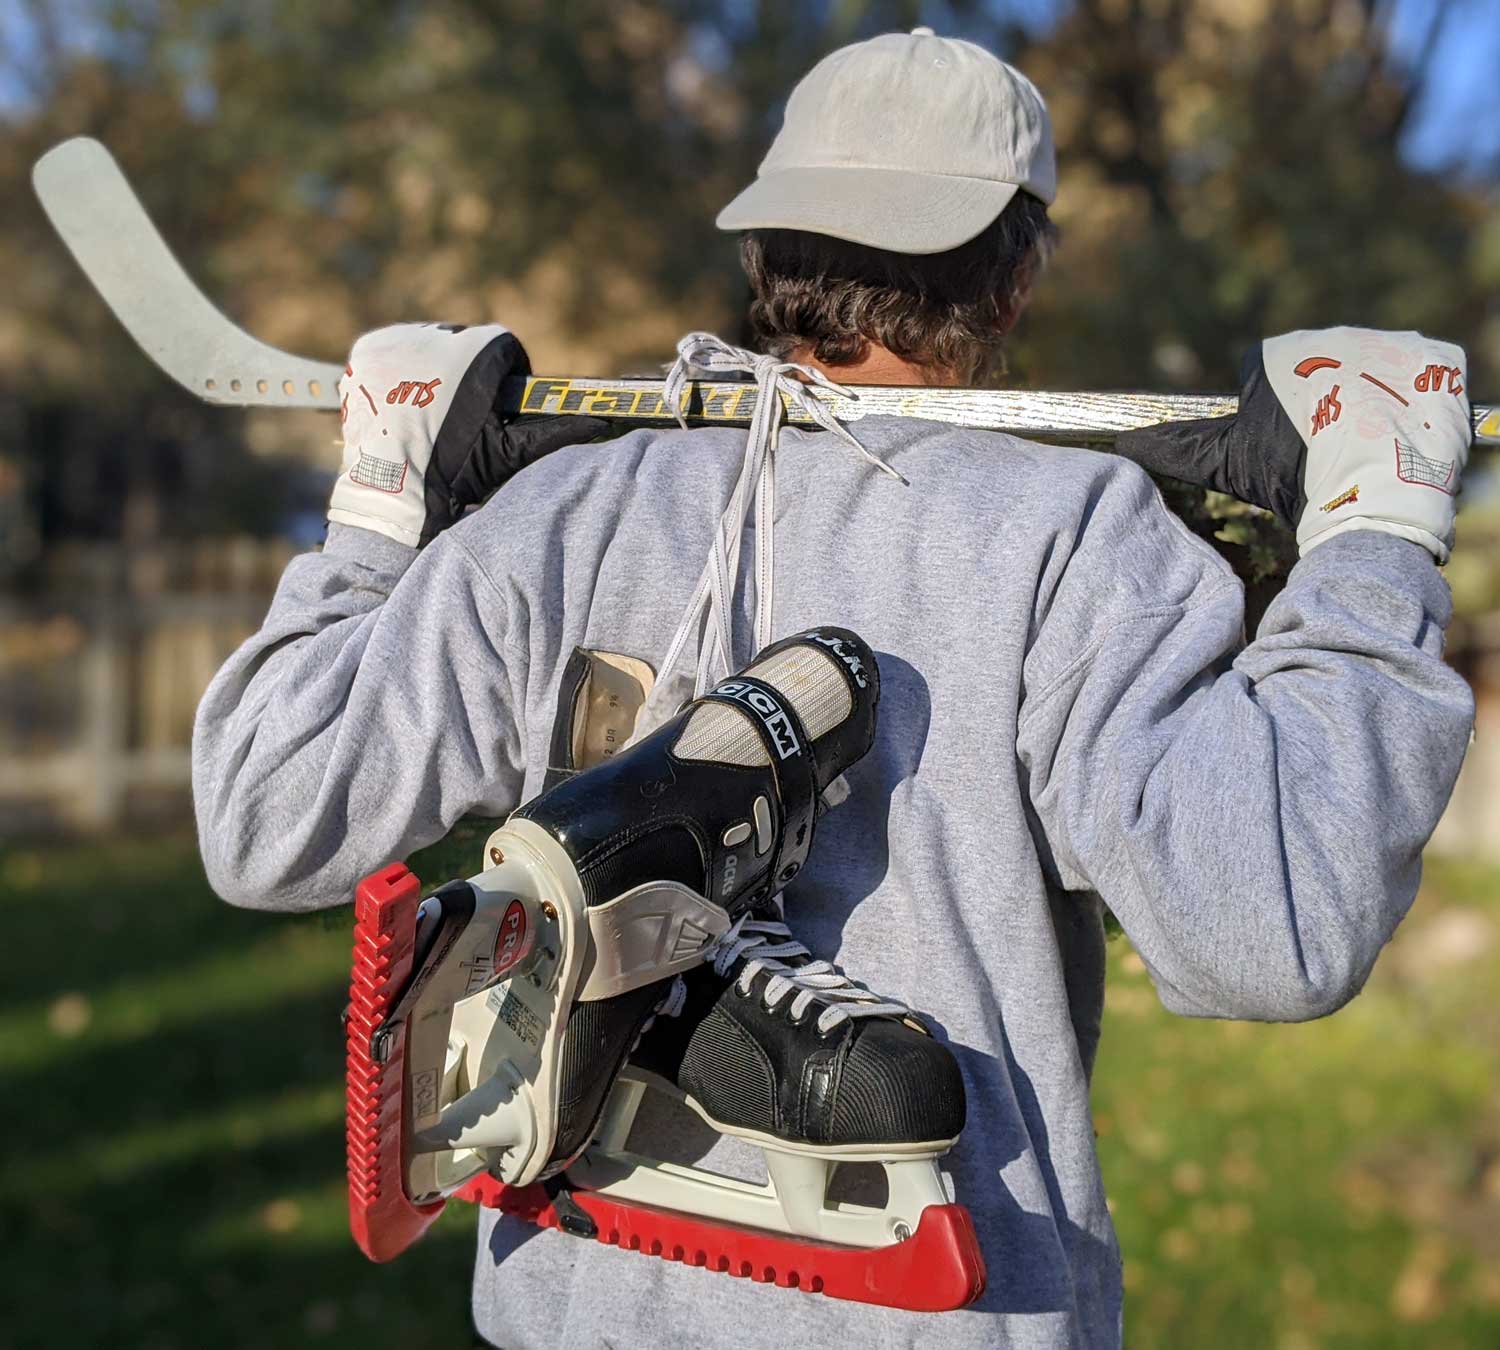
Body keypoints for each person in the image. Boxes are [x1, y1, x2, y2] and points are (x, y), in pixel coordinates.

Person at [192, 26, 1475, 1350]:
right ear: (1017, 274)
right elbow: (1275, 922)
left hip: (585, 1310)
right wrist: (1372, 541)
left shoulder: (558, 521)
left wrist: (376, 512)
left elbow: (266, 810)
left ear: (764, 255)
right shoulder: (1071, 541)